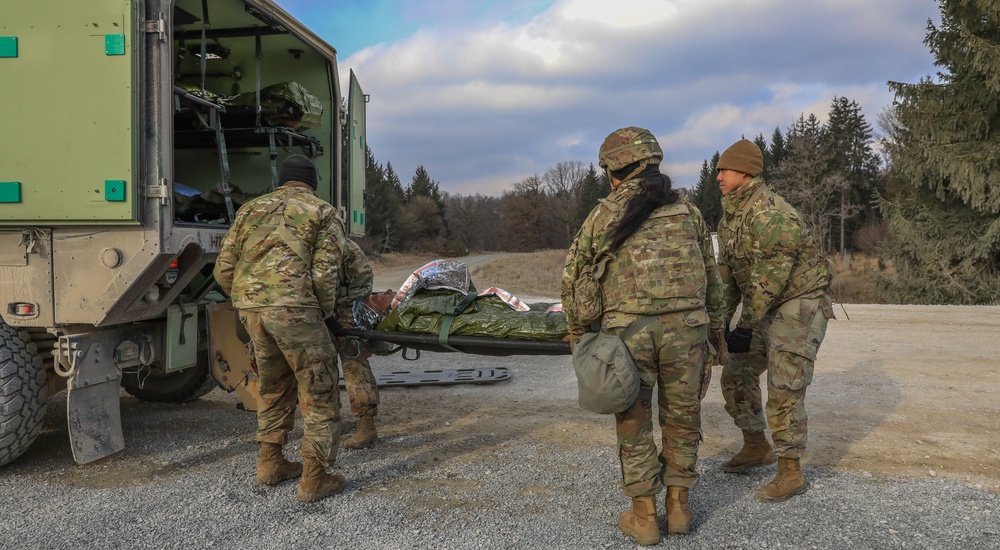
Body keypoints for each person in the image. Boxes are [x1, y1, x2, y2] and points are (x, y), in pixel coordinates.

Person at [562, 127, 724, 544]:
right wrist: (716, 335)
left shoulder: (603, 215)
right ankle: (679, 508)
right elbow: (712, 279)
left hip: (628, 338)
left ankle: (645, 515)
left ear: (614, 169)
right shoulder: (688, 211)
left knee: (633, 423)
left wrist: (579, 335)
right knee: (683, 419)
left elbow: (573, 279)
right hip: (688, 332)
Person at [213, 154, 348, 503]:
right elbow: (325, 274)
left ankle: (270, 464)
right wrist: (325, 315)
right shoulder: (322, 212)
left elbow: (223, 269)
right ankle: (313, 480)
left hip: (251, 310)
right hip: (296, 311)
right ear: (312, 181)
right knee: (319, 388)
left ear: (282, 180)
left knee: (272, 385)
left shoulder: (249, 210)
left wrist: (250, 299)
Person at [714, 138, 834, 502]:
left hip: (798, 303)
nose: (717, 176)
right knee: (736, 374)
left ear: (746, 172)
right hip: (766, 304)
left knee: (784, 387)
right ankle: (756, 445)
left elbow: (770, 279)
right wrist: (719, 325)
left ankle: (790, 471)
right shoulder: (731, 216)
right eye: (718, 169)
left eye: (724, 169)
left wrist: (745, 325)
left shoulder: (771, 214)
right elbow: (729, 278)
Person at [335, 238, 381, 449]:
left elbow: (363, 281)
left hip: (346, 308)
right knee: (318, 367)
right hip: (317, 311)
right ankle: (329, 420)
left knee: (353, 359)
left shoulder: (345, 246)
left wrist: (346, 312)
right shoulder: (301, 244)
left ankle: (366, 424)